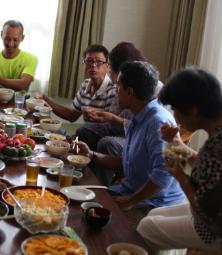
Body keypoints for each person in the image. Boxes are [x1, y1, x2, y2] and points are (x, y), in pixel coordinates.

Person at [137, 68, 222, 255]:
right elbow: (213, 167)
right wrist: (177, 143)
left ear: (193, 110)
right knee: (154, 215)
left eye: (175, 109)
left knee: (146, 227)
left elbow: (205, 215)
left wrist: (181, 177)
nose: (174, 116)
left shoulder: (217, 146)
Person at [76, 61, 185, 225]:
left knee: (87, 219)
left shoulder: (157, 122)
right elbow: (128, 163)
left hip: (153, 204)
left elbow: (163, 175)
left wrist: (130, 201)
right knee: (78, 200)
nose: (116, 91)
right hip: (130, 191)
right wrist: (91, 155)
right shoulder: (140, 114)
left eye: (118, 86)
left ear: (130, 92)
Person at [82, 42, 149, 185]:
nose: (110, 73)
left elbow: (144, 130)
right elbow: (113, 112)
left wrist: (113, 118)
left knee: (107, 143)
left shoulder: (149, 90)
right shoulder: (123, 83)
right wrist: (100, 115)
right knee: (85, 130)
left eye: (111, 68)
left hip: (134, 136)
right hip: (116, 128)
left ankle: (99, 186)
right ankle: (82, 173)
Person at [39, 44, 117, 147]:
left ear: (107, 65)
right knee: (51, 135)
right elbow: (72, 116)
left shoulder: (113, 89)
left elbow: (111, 125)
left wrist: (98, 116)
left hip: (102, 139)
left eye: (98, 62)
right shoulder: (85, 84)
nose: (93, 65)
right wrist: (46, 101)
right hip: (86, 134)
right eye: (89, 61)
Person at [0, 20, 38, 98]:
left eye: (15, 39)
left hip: (18, 106)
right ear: (1, 35)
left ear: (22, 38)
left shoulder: (31, 59)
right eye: (7, 39)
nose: (10, 44)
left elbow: (23, 85)